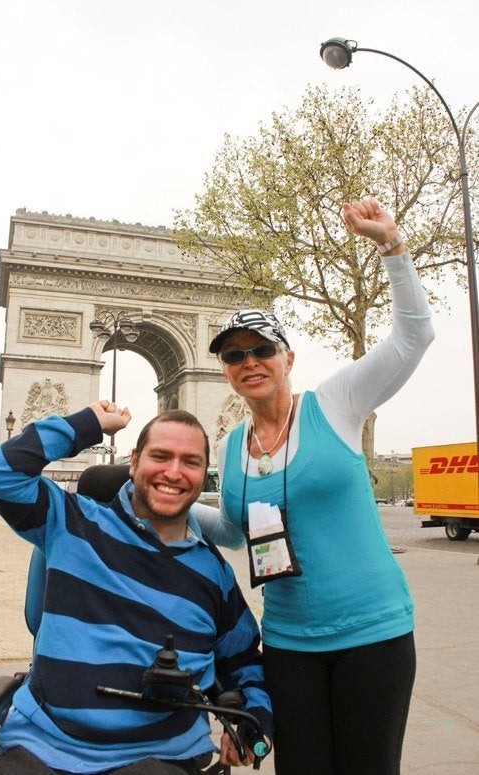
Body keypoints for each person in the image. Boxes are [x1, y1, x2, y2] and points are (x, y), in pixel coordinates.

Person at [199, 197, 435, 775]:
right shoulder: (229, 447)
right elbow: (233, 531)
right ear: (225, 370)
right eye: (234, 356)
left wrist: (391, 247)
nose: (249, 361)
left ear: (287, 357)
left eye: (262, 350)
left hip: (372, 633)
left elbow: (413, 337)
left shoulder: (335, 403)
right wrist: (167, 503)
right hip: (288, 642)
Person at [0, 403, 272, 774]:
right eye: (160, 456)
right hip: (43, 745)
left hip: (158, 755)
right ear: (133, 463)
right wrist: (88, 424)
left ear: (203, 475)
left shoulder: (215, 574)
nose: (174, 472)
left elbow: (245, 661)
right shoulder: (69, 521)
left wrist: (255, 717)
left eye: (190, 462)